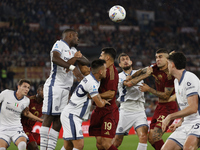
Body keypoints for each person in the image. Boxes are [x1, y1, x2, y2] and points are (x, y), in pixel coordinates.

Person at [40, 29, 89, 150]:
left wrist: (77, 57)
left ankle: (50, 148)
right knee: (48, 118)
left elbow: (87, 61)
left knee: (58, 121)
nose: (78, 39)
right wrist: (73, 66)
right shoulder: (59, 44)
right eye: (76, 36)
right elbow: (55, 59)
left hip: (66, 89)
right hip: (55, 86)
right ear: (70, 35)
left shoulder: (73, 50)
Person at [129, 48, 178, 150]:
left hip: (169, 107)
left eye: (160, 57)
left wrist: (149, 89)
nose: (157, 59)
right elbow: (141, 71)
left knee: (156, 136)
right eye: (156, 57)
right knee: (151, 138)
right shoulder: (154, 67)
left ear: (167, 59)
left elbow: (166, 95)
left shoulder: (170, 74)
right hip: (159, 107)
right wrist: (130, 76)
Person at [61, 59, 110, 150]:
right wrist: (103, 101)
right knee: (79, 145)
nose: (106, 71)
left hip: (71, 114)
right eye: (105, 69)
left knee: (68, 146)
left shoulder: (91, 78)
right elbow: (99, 104)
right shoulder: (92, 83)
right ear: (100, 71)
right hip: (72, 115)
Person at [161, 52, 200, 150]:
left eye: (168, 63)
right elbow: (185, 106)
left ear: (172, 64)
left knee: (188, 148)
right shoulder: (176, 81)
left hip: (198, 121)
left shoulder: (189, 78)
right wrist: (180, 122)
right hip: (186, 123)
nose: (167, 66)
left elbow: (193, 108)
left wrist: (170, 116)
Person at [113, 53, 152, 150]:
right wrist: (146, 75)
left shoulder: (139, 72)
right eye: (122, 60)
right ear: (120, 65)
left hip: (139, 109)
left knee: (143, 137)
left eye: (127, 59)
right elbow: (129, 83)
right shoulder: (119, 77)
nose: (125, 61)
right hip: (125, 110)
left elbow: (150, 68)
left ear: (131, 62)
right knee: (117, 141)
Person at [89, 47, 119, 150]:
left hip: (108, 111)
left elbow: (111, 94)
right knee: (99, 144)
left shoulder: (112, 73)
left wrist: (94, 95)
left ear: (107, 58)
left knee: (106, 143)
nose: (99, 57)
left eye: (101, 55)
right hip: (98, 110)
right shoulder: (101, 69)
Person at [0, 79, 43, 150]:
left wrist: (40, 120)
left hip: (17, 128)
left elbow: (26, 113)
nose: (27, 89)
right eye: (24, 87)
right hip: (3, 128)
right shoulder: (6, 93)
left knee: (22, 144)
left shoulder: (26, 101)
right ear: (18, 86)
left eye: (28, 88)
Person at [21, 84, 44, 150]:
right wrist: (40, 119)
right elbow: (25, 113)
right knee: (34, 147)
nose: (45, 92)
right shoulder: (29, 100)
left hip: (30, 130)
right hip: (22, 129)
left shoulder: (45, 104)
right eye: (43, 90)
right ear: (38, 91)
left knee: (47, 143)